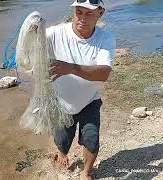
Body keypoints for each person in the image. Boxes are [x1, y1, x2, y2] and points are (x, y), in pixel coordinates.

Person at [47, 0, 115, 179]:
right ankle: (62, 153)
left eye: (89, 14)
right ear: (73, 11)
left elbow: (104, 73)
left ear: (100, 13)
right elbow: (31, 46)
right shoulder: (55, 33)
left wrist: (72, 68)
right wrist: (32, 30)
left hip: (89, 100)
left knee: (92, 140)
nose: (82, 19)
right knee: (61, 142)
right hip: (61, 102)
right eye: (79, 12)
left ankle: (86, 172)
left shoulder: (104, 38)